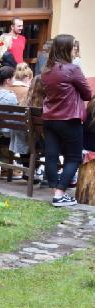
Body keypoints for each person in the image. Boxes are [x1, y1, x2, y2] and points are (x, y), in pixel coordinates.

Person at [41, 34, 93, 207]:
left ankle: (55, 189)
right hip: (69, 118)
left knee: (51, 155)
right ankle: (59, 194)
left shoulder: (46, 70)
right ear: (67, 49)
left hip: (49, 118)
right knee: (73, 157)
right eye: (73, 47)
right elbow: (87, 93)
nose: (74, 50)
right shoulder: (72, 69)